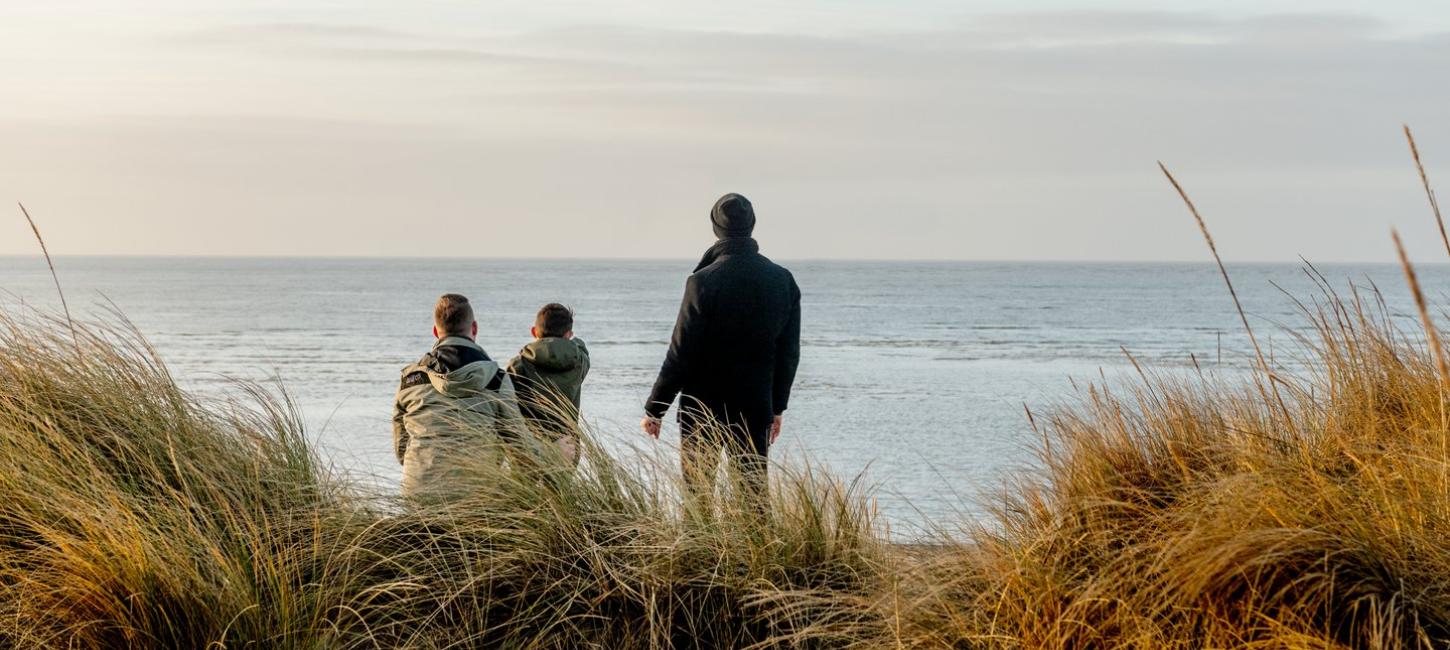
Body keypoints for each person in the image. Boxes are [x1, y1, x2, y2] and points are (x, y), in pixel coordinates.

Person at [642, 193, 802, 505]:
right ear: (752, 225)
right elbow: (789, 353)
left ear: (716, 229)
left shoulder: (701, 282)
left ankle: (700, 556)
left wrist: (655, 408)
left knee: (698, 501)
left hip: (702, 407)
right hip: (755, 403)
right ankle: (758, 555)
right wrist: (777, 407)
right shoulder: (782, 280)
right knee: (754, 499)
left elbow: (681, 352)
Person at [392, 293, 526, 502]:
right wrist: (557, 451)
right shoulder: (496, 379)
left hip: (418, 496)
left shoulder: (410, 379)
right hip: (476, 497)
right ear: (474, 328)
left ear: (436, 331)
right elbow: (520, 446)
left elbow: (401, 450)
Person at [506, 303, 591, 467]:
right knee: (560, 492)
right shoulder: (579, 362)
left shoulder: (518, 366)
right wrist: (571, 339)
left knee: (523, 491)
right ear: (568, 334)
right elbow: (581, 346)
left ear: (534, 331)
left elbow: (508, 406)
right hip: (568, 444)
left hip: (528, 444)